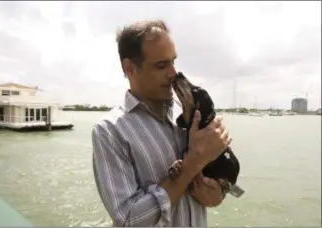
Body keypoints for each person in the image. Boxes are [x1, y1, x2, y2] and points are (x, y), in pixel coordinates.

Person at [91, 20, 232, 227]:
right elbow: (129, 220)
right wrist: (192, 164)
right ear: (129, 68)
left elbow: (221, 184)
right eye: (161, 65)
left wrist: (218, 193)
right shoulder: (109, 131)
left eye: (173, 61)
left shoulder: (192, 114)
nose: (173, 73)